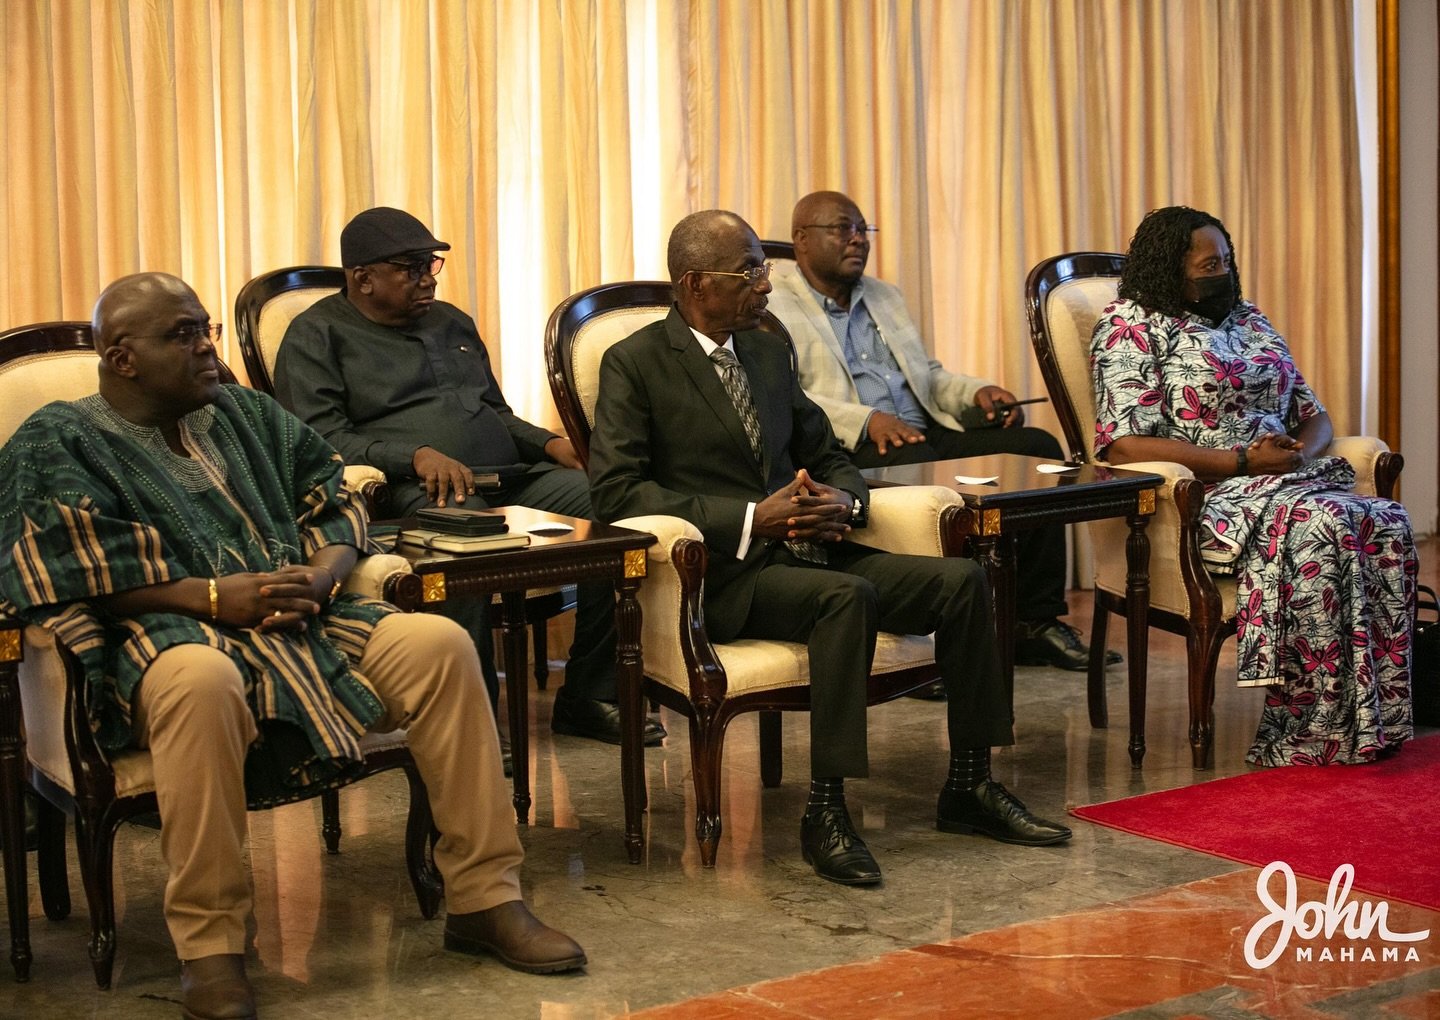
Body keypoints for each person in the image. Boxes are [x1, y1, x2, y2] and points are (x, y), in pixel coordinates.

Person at [0, 274, 585, 1020]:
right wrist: (213, 599)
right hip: (159, 636)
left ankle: (485, 899)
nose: (207, 347)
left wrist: (324, 575)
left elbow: (336, 499)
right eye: (183, 334)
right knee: (201, 681)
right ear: (122, 358)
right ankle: (211, 948)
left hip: (301, 619)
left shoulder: (244, 413)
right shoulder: (57, 440)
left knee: (439, 644)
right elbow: (53, 565)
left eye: (207, 328)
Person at [587, 210, 1072, 887]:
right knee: (846, 598)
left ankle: (969, 784)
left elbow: (827, 450)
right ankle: (826, 812)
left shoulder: (765, 352)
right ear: (696, 283)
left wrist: (847, 500)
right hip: (725, 576)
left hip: (813, 550)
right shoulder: (634, 363)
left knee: (962, 581)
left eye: (763, 269)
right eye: (749, 271)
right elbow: (618, 492)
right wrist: (753, 518)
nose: (765, 283)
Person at [275, 207, 662, 748]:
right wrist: (414, 456)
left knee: (616, 508)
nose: (428, 278)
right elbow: (320, 439)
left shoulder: (451, 321)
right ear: (363, 278)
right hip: (417, 494)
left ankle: (589, 696)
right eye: (411, 268)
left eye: (430, 265)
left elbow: (495, 413)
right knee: (466, 531)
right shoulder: (315, 336)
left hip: (512, 477)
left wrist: (552, 444)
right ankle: (471, 722)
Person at [1090, 205, 1416, 766]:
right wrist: (1242, 461)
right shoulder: (1131, 327)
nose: (1223, 273)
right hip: (1205, 493)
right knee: (1324, 526)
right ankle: (1310, 727)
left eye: (1226, 260)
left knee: (1383, 519)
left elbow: (1315, 415)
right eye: (1208, 265)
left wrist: (1298, 452)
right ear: (1170, 268)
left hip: (1285, 479)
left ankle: (1371, 716)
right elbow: (1123, 445)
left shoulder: (1249, 319)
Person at [767, 190, 1117, 673]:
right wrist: (866, 419)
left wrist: (977, 393)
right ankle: (934, 638)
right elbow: (786, 392)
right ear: (802, 239)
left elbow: (928, 376)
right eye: (842, 228)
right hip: (850, 450)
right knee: (921, 475)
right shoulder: (774, 303)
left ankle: (1033, 622)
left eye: (863, 229)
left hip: (924, 432)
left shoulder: (884, 295)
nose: (857, 239)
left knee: (1037, 448)